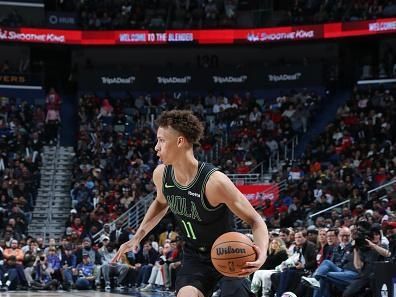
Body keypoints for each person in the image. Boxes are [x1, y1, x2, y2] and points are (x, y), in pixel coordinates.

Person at [112, 110, 269, 297]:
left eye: (161, 140)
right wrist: (137, 237)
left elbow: (255, 221)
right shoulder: (161, 175)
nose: (156, 147)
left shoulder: (214, 182)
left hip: (227, 251)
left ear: (180, 141)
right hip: (194, 256)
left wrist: (262, 254)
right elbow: (161, 203)